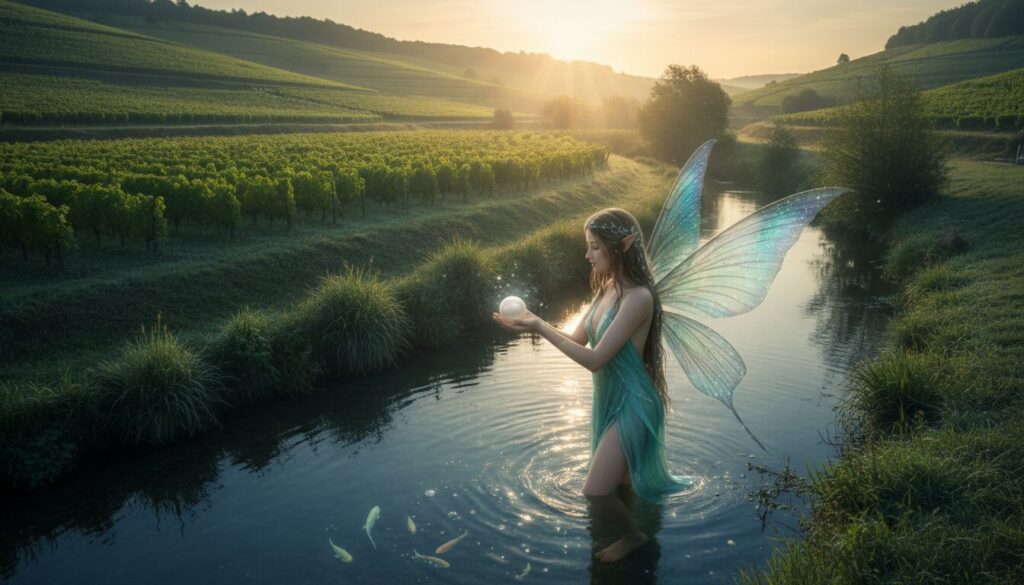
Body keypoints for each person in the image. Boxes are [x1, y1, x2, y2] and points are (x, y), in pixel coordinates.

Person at [492, 207, 693, 562]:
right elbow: (577, 339)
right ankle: (627, 536)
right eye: (588, 246)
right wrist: (532, 324)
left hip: (635, 403)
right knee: (621, 485)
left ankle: (634, 537)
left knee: (595, 491)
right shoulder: (607, 290)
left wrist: (539, 325)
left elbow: (594, 360)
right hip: (613, 399)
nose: (587, 255)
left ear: (623, 246)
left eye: (595, 247)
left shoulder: (638, 298)